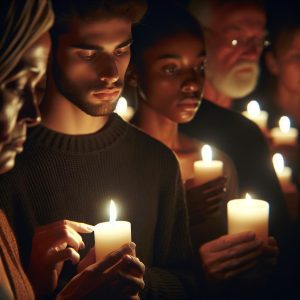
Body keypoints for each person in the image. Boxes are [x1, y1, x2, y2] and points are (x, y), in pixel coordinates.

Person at [0, 0, 198, 299]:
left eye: (121, 51)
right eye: (88, 53)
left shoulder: (156, 161)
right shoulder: (8, 162)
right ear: (47, 49)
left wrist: (134, 282)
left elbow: (188, 282)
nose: (110, 72)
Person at [128, 2, 279, 299]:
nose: (192, 83)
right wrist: (176, 219)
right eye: (171, 68)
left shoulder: (219, 162)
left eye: (199, 67)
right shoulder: (118, 161)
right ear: (133, 72)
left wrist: (252, 259)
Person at [180, 0, 289, 244]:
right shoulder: (173, 124)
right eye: (236, 40)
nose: (252, 52)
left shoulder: (252, 126)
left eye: (259, 40)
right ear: (199, 39)